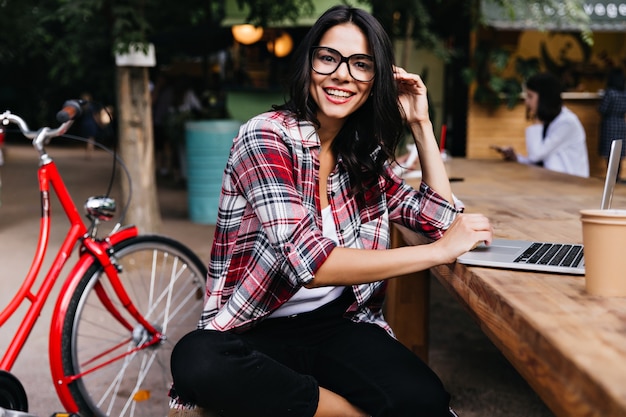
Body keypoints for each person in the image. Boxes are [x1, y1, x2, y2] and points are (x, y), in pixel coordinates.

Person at [169, 5, 492, 417]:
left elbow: (438, 217)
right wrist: (437, 253)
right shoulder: (266, 136)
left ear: (377, 80)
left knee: (425, 399)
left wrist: (421, 125)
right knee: (197, 360)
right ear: (309, 65)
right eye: (329, 58)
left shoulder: (362, 156)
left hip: (336, 324)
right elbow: (313, 262)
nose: (342, 75)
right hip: (256, 327)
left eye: (361, 65)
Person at [493, 72, 589, 178]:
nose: (526, 102)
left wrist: (537, 121)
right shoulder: (551, 121)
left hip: (573, 187)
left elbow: (536, 156)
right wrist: (517, 158)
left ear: (544, 98)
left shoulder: (567, 123)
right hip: (554, 183)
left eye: (530, 96)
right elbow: (542, 159)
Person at [598, 67, 626, 180]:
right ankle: (618, 176)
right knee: (618, 152)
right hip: (621, 123)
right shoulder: (624, 93)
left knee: (610, 152)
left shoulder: (609, 93)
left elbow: (602, 109)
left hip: (609, 123)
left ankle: (611, 177)